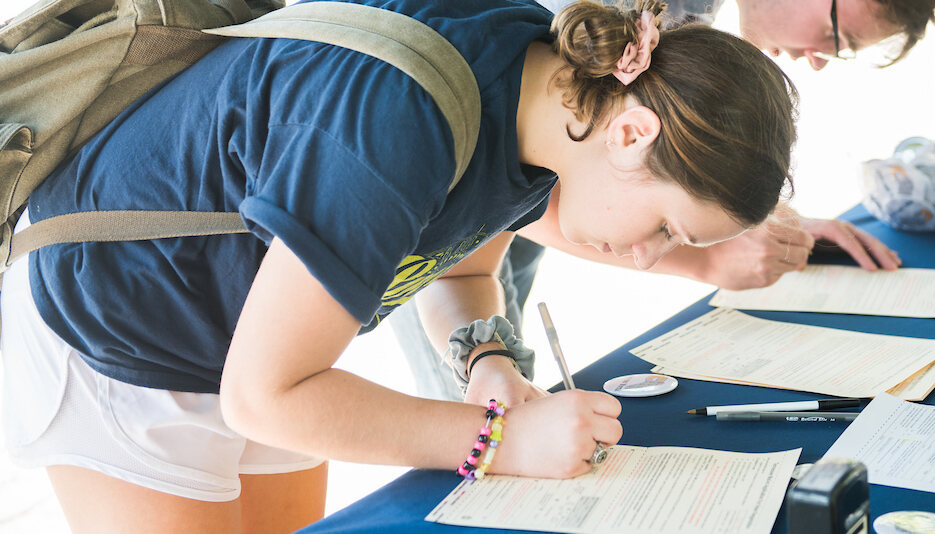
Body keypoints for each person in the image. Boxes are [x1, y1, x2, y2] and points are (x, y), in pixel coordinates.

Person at [0, 0, 800, 531]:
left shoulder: (543, 105)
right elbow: (266, 396)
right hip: (115, 333)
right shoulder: (399, 125)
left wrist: (488, 359)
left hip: (250, 339)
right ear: (631, 136)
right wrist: (499, 442)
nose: (646, 257)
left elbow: (458, 272)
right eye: (666, 227)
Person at [395, 0, 935, 402]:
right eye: (838, 35)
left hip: (474, 236)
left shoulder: (680, 17)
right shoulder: (452, 137)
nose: (822, 58)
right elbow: (529, 175)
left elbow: (639, 165)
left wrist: (730, 216)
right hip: (425, 197)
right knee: (468, 416)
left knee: (495, 376)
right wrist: (703, 258)